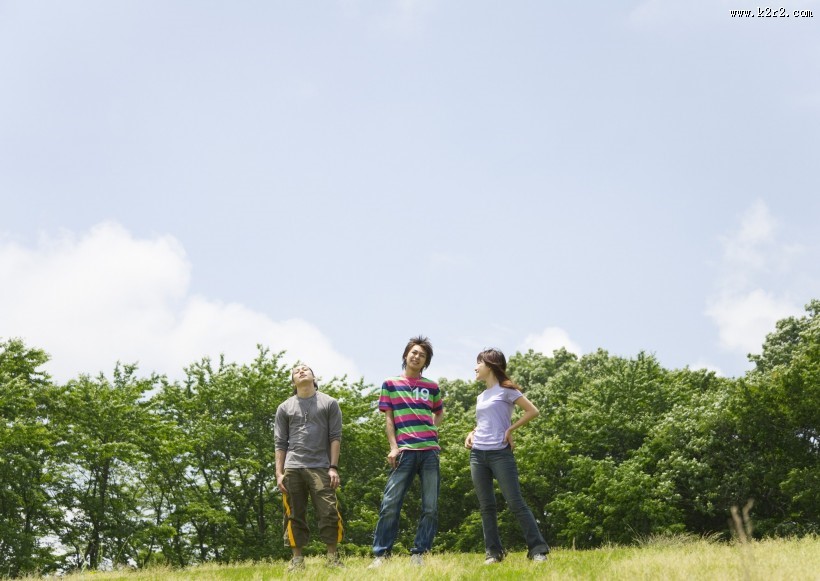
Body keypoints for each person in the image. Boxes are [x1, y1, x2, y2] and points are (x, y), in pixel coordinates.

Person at [464, 348, 549, 565]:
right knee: (486, 506)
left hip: (500, 453)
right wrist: (472, 432)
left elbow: (533, 411)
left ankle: (538, 550)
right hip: (477, 454)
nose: (475, 367)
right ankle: (493, 553)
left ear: (490, 365)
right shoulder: (481, 396)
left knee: (515, 502)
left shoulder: (507, 390)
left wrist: (510, 429)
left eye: (479, 363)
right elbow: (485, 421)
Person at [369, 336, 443, 568]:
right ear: (406, 355)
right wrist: (393, 447)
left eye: (422, 355)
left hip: (430, 451)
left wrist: (431, 428)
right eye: (414, 352)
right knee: (390, 502)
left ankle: (419, 553)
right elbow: (389, 419)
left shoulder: (432, 386)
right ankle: (381, 554)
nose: (417, 357)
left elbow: (439, 412)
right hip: (404, 451)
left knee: (430, 506)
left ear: (426, 362)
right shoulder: (390, 384)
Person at [274, 364, 344, 572]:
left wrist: (333, 467)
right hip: (293, 467)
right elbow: (280, 443)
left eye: (305, 369)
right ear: (293, 382)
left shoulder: (329, 403)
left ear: (314, 377)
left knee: (329, 511)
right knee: (294, 514)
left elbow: (335, 437)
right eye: (296, 371)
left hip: (321, 466)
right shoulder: (284, 407)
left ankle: (332, 558)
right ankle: (297, 561)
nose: (301, 371)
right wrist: (279, 473)